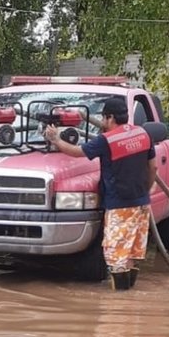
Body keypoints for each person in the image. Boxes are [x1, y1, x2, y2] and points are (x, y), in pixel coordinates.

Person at [44, 97, 157, 290]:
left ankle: (118, 308)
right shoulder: (142, 134)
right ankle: (130, 304)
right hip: (141, 205)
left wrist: (55, 139)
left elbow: (77, 152)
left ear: (110, 117)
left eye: (103, 118)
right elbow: (153, 167)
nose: (102, 122)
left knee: (116, 256)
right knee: (130, 254)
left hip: (120, 206)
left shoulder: (107, 140)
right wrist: (146, 189)